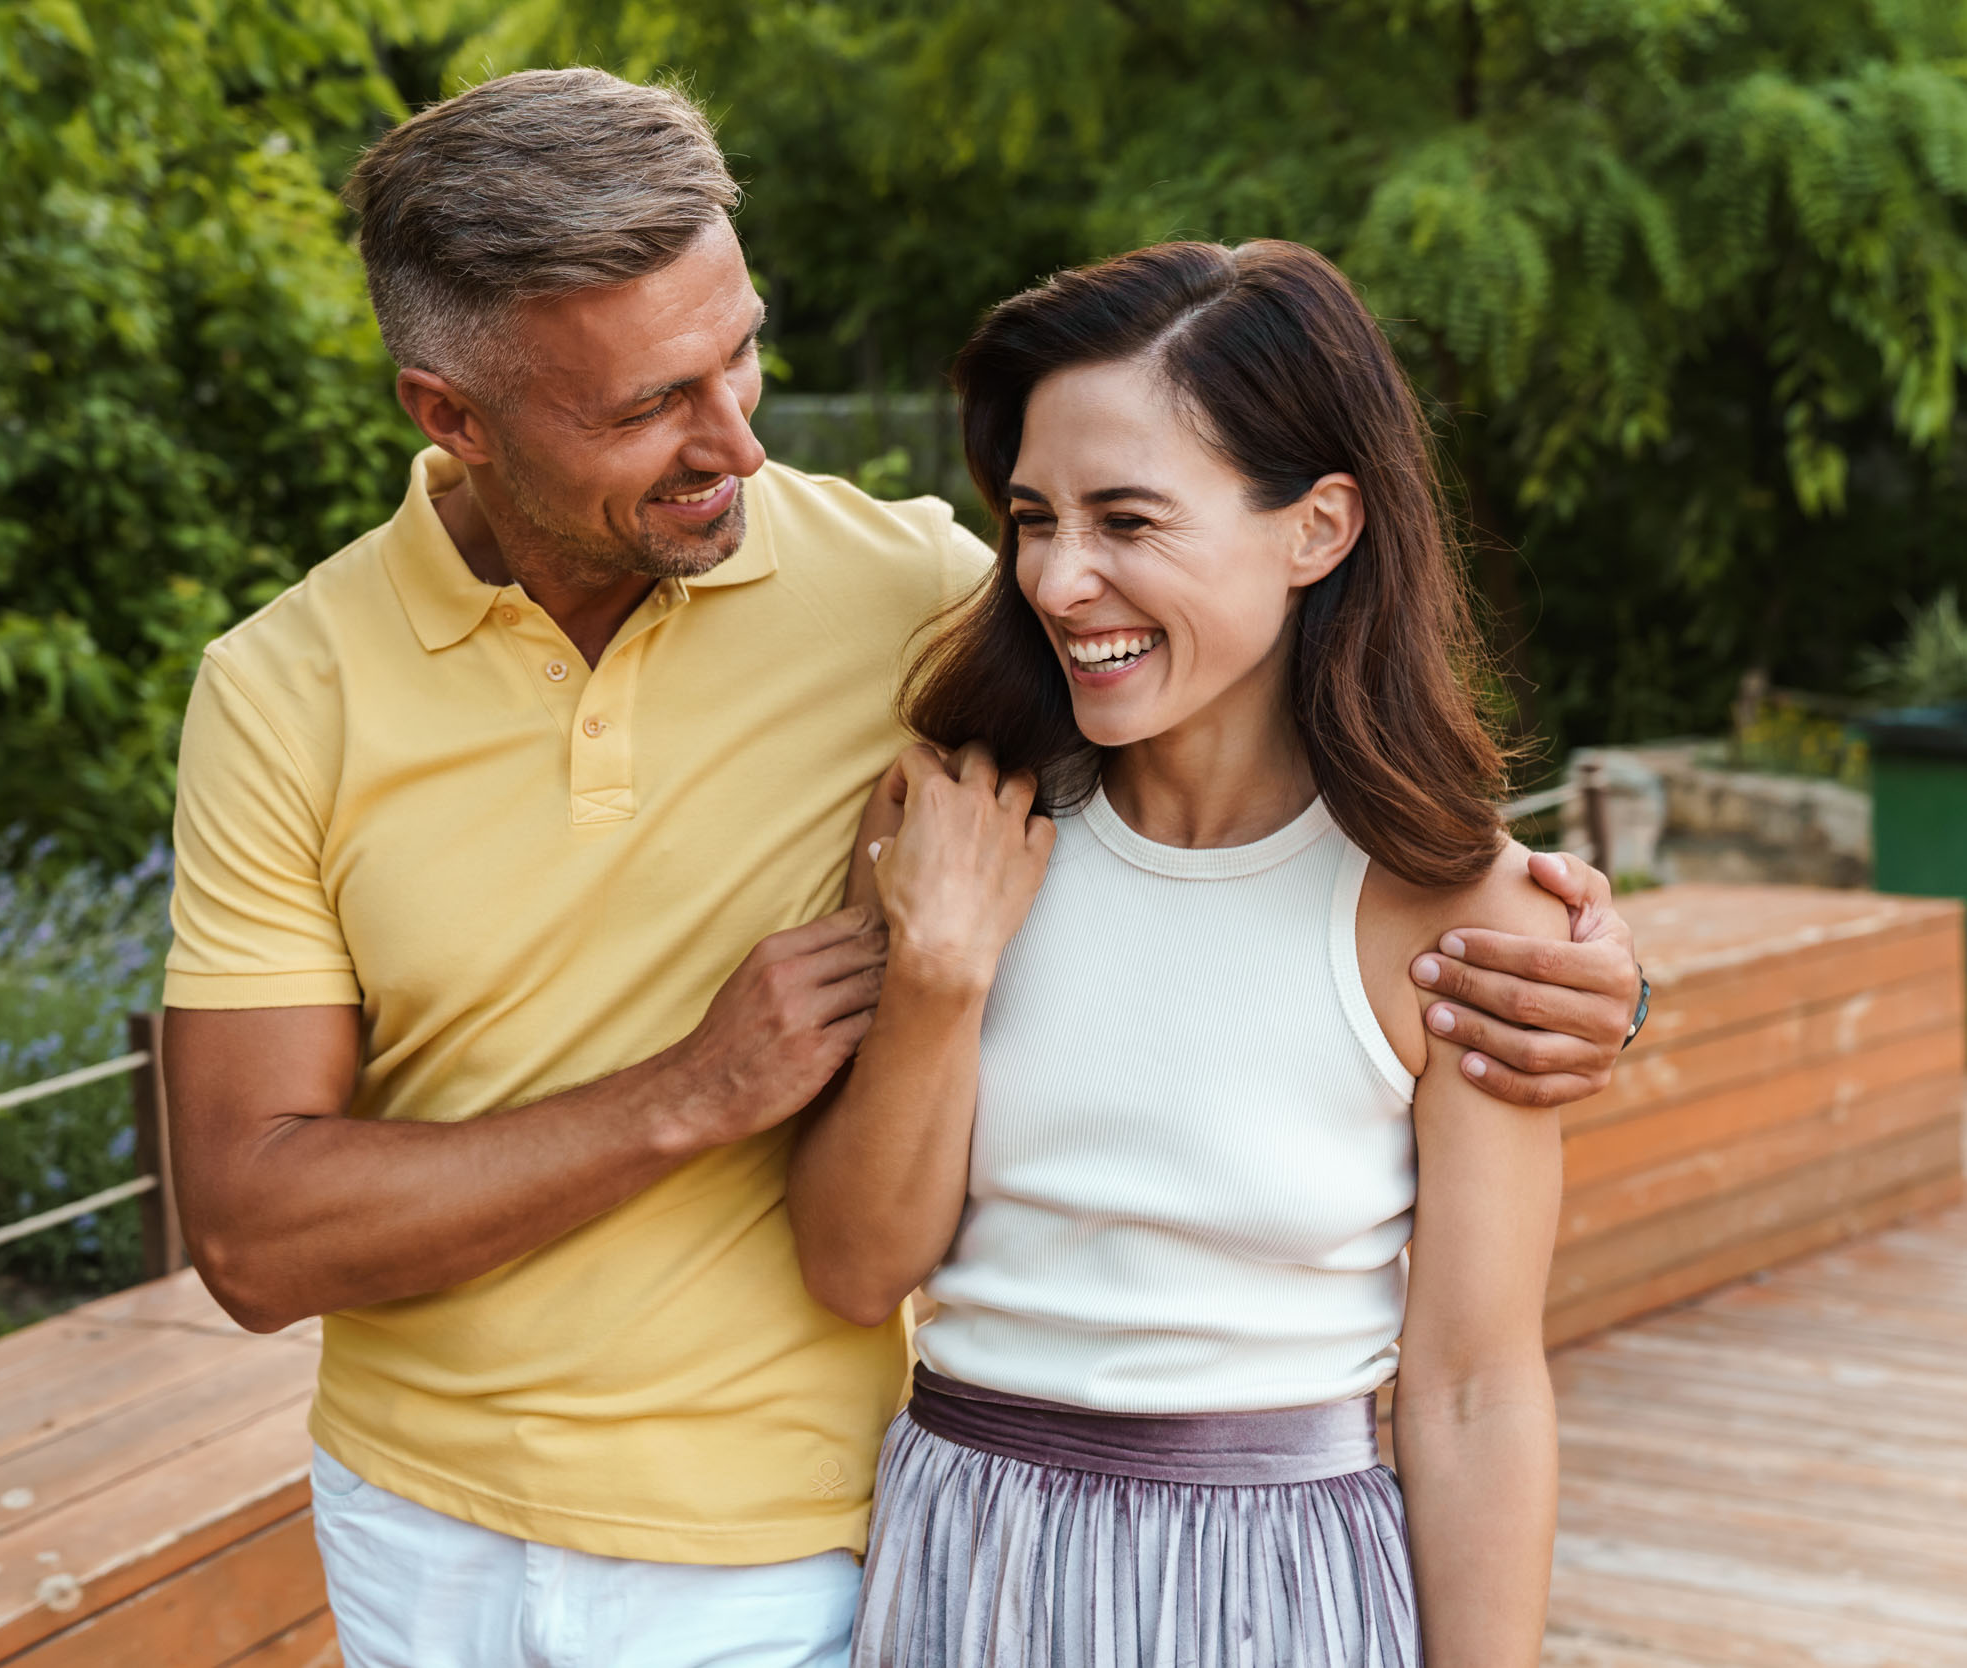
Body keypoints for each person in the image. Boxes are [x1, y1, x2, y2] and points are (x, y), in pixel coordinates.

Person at [159, 71, 1640, 1668]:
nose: (735, 440)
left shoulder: (924, 611)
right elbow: (248, 1232)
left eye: (743, 355)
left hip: (805, 1551)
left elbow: (1226, 722)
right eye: (648, 403)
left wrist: (1596, 987)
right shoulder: (282, 689)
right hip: (425, 1528)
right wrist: (713, 1079)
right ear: (450, 412)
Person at [789, 240, 1575, 1665]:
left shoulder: (1463, 919)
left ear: (1318, 528)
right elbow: (855, 1271)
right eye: (1033, 518)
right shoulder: (955, 820)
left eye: (1128, 520)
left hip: (1279, 1585)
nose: (1058, 577)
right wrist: (939, 974)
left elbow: (1473, 1390)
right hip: (967, 1555)